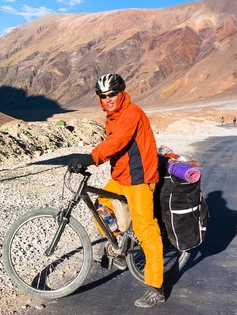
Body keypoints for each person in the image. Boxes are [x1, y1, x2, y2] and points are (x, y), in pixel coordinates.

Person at [68, 73, 165, 308]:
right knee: (100, 203)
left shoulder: (132, 113)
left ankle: (156, 288)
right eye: (103, 96)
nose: (108, 99)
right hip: (122, 177)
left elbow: (117, 142)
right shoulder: (111, 117)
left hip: (140, 179)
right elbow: (115, 148)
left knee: (145, 229)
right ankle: (121, 246)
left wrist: (89, 158)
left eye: (112, 94)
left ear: (121, 92)